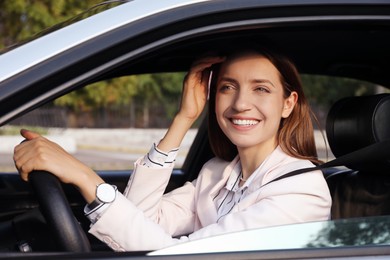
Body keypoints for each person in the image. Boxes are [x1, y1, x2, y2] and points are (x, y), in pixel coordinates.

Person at [13, 45, 332, 251]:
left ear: (288, 104)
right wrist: (183, 118)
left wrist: (84, 176)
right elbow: (141, 221)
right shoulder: (217, 172)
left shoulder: (301, 190)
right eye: (227, 87)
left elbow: (175, 256)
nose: (240, 104)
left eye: (260, 89)